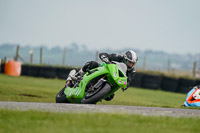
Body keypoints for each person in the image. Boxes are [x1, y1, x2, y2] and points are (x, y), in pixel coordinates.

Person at [66, 50, 138, 101]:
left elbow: (128, 81)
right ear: (125, 59)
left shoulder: (132, 71)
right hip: (104, 70)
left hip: (114, 81)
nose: (131, 65)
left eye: (132, 63)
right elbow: (103, 54)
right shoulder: (118, 57)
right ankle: (78, 74)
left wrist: (125, 85)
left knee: (110, 97)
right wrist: (107, 60)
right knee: (92, 64)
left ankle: (94, 95)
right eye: (129, 62)